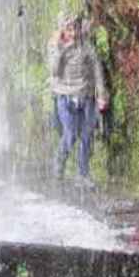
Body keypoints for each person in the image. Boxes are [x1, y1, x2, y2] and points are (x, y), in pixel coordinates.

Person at [48, 12, 108, 184]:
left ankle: (83, 174)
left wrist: (101, 95)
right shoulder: (55, 46)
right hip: (65, 97)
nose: (73, 33)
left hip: (86, 96)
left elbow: (97, 72)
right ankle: (58, 166)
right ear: (62, 30)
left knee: (87, 135)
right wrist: (62, 49)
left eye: (76, 28)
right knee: (70, 134)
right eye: (69, 29)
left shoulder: (87, 47)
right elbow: (54, 71)